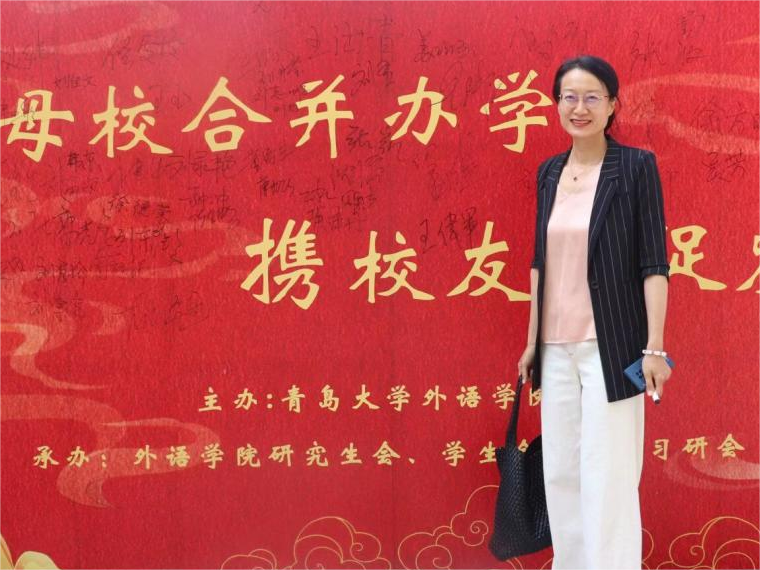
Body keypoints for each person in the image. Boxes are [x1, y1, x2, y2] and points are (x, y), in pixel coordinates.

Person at [517, 55, 673, 570]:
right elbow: (540, 261)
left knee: (609, 476)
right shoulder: (549, 173)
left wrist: (654, 348)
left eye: (591, 97)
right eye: (569, 97)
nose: (578, 108)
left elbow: (654, 264)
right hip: (555, 348)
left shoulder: (635, 167)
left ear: (611, 105)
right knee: (562, 473)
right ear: (556, 104)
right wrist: (532, 342)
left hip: (614, 346)